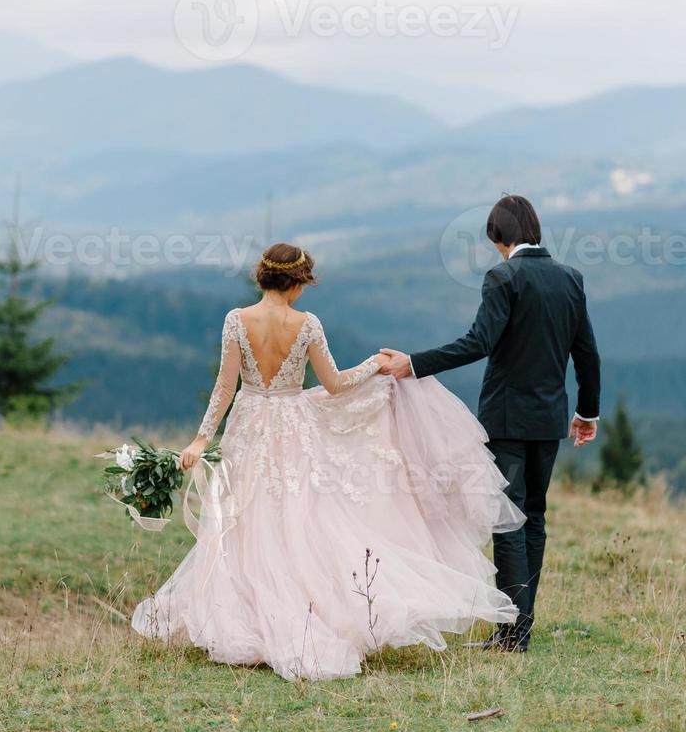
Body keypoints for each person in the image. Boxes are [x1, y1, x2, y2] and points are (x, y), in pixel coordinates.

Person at [132, 242, 524, 681]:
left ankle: (245, 615)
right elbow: (335, 385)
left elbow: (224, 388)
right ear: (298, 283)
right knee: (297, 515)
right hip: (291, 424)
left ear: (263, 277)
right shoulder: (306, 324)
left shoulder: (235, 320)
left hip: (248, 427)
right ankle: (303, 612)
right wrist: (374, 366)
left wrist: (201, 440)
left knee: (247, 517)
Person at [379, 195, 600, 652]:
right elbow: (586, 352)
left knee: (509, 520)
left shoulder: (504, 276)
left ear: (499, 236)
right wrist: (587, 411)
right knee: (534, 516)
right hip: (550, 418)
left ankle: (511, 634)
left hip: (506, 419)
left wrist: (414, 364)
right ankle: (520, 628)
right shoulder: (570, 278)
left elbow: (478, 342)